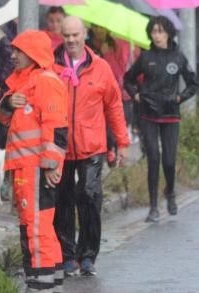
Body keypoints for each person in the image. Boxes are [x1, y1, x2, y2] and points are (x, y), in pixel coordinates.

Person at [53, 17, 129, 277]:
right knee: (62, 200)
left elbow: (114, 106)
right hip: (60, 146)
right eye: (66, 35)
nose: (71, 40)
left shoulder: (101, 68)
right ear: (61, 36)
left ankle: (87, 254)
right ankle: (66, 255)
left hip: (92, 145)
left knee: (88, 196)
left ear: (84, 34)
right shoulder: (51, 66)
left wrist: (122, 143)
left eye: (75, 34)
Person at [0, 30, 68, 292]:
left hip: (36, 168)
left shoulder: (45, 82)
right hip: (27, 168)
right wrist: (6, 105)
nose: (13, 55)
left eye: (18, 51)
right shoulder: (24, 82)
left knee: (36, 227)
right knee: (39, 226)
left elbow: (56, 127)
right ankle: (51, 282)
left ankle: (40, 284)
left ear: (33, 54)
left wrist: (51, 165)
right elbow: (6, 117)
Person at [124, 16, 198, 223]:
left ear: (168, 33)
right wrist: (136, 94)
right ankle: (153, 206)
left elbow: (193, 84)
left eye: (161, 31)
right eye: (154, 31)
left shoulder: (178, 57)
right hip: (148, 113)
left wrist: (179, 98)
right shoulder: (146, 57)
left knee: (169, 160)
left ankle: (171, 192)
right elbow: (128, 79)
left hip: (170, 114)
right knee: (154, 158)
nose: (157, 35)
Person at [90, 25, 139, 143]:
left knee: (116, 126)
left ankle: (115, 152)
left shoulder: (121, 45)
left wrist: (106, 54)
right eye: (96, 27)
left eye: (101, 28)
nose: (98, 30)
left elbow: (119, 71)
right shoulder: (89, 44)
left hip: (121, 93)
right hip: (99, 92)